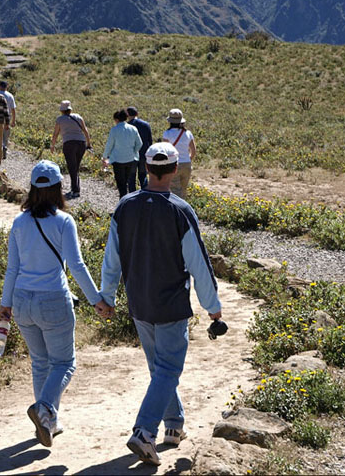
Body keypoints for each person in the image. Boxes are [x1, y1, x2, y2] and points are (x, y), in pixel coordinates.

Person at [98, 142, 221, 466]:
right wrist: (213, 306)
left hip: (138, 302)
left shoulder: (125, 206)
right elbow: (198, 263)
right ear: (176, 169)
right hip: (170, 304)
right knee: (167, 369)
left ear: (146, 167)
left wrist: (107, 296)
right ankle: (144, 432)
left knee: (159, 368)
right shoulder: (180, 210)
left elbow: (111, 259)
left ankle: (174, 427)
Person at [0, 160, 107, 448]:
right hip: (53, 300)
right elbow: (76, 265)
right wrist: (96, 299)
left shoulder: (19, 222)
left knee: (40, 363)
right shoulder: (63, 221)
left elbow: (12, 268)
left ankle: (49, 422)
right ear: (59, 187)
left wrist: (5, 303)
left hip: (21, 300)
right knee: (65, 363)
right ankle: (45, 408)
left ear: (32, 189)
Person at [50, 100, 92, 199]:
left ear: (62, 110)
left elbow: (55, 133)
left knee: (72, 167)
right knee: (76, 166)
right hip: (81, 143)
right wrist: (89, 143)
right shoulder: (78, 117)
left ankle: (75, 190)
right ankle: (75, 188)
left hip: (69, 144)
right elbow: (85, 131)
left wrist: (52, 145)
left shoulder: (60, 119)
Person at [102, 110, 142, 198]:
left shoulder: (114, 130)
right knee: (129, 181)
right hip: (131, 159)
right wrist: (134, 152)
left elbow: (109, 144)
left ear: (116, 119)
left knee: (121, 183)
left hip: (118, 160)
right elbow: (139, 143)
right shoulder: (133, 128)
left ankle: (123, 201)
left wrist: (105, 157)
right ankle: (128, 201)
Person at [162, 109, 196, 200]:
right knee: (183, 190)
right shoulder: (188, 133)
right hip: (187, 164)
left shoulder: (167, 134)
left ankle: (177, 210)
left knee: (174, 190)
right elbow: (193, 150)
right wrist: (188, 159)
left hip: (174, 164)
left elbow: (165, 151)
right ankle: (184, 209)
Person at [126, 107, 152, 191]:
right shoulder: (146, 124)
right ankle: (145, 194)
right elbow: (150, 141)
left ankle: (132, 196)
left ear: (127, 115)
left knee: (131, 177)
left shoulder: (127, 126)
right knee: (143, 175)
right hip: (143, 154)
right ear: (137, 114)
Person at [0, 80, 17, 159]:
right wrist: (13, 120)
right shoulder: (10, 96)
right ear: (7, 87)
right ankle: (4, 146)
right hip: (7, 118)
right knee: (5, 135)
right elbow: (13, 109)